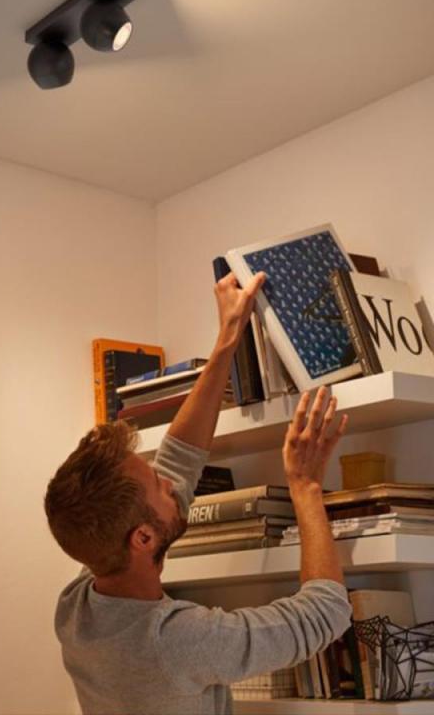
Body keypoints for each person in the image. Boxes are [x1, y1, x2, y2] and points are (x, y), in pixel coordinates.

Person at [44, 271, 353, 715]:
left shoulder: (77, 609)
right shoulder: (176, 640)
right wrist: (305, 487)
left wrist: (227, 340)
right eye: (158, 487)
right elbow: (324, 614)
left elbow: (178, 460)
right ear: (143, 538)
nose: (170, 481)